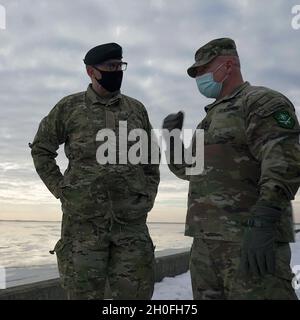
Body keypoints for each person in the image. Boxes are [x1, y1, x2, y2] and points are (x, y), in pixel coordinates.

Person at [163, 38, 300, 299]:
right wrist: (172, 138)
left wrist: (264, 221)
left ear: (228, 65)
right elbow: (190, 169)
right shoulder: (208, 120)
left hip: (249, 241)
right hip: (205, 245)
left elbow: (284, 161)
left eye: (203, 70)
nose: (199, 78)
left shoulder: (260, 101)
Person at [30, 42, 160, 300]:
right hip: (83, 228)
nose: (117, 71)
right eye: (110, 67)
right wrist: (62, 190)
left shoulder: (136, 110)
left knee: (136, 295)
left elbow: (150, 158)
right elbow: (41, 149)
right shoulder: (68, 108)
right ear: (91, 71)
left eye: (120, 66)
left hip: (130, 227)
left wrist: (146, 196)